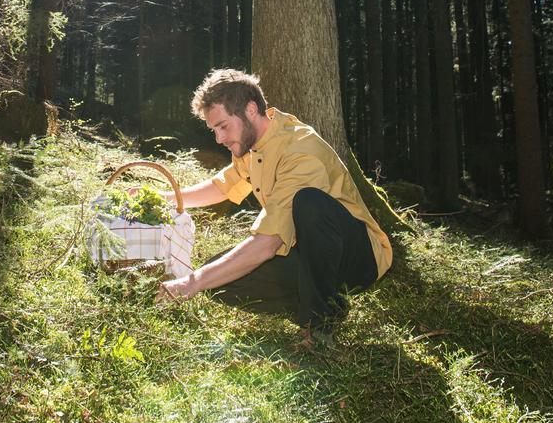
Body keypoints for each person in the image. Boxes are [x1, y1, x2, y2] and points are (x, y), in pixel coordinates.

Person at [157, 69, 392, 341]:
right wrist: (165, 198)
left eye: (223, 126)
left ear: (251, 109)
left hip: (358, 257)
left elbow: (267, 243)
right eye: (214, 130)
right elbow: (223, 186)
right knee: (218, 278)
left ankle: (320, 321)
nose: (219, 139)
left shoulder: (300, 150)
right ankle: (324, 303)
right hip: (305, 251)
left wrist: (190, 283)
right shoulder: (251, 143)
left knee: (309, 203)